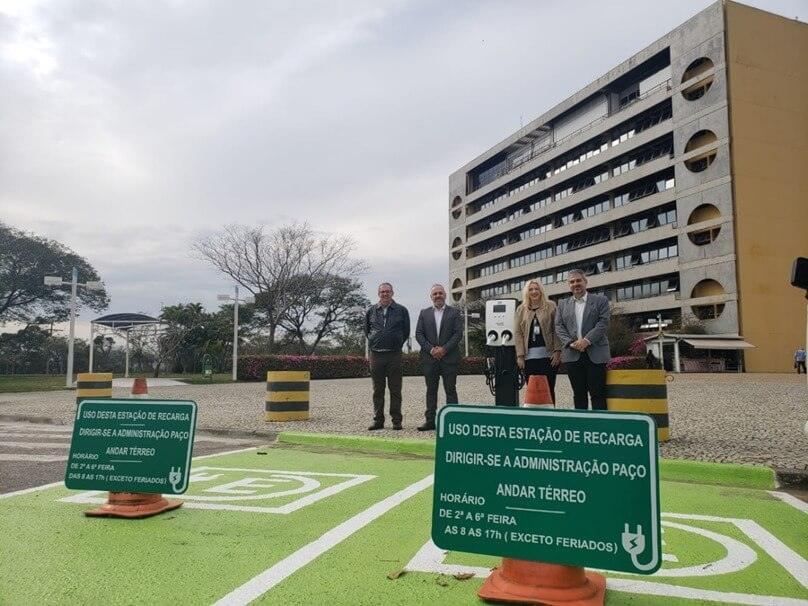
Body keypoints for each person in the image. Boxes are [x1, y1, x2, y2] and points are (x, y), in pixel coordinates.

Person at [555, 269, 611, 410]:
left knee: (598, 394)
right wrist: (570, 342)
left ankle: (599, 428)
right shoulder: (562, 304)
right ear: (569, 285)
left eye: (578, 280)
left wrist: (586, 340)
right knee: (578, 394)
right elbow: (559, 325)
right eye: (572, 282)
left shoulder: (601, 301)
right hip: (572, 354)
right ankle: (583, 428)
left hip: (596, 353)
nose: (576, 284)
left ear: (585, 282)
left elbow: (603, 323)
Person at [414, 284, 462, 431]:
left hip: (449, 358)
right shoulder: (424, 313)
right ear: (431, 297)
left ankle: (453, 422)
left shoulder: (454, 313)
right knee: (431, 390)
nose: (438, 296)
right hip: (430, 359)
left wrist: (444, 349)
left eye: (440, 293)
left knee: (450, 390)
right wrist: (431, 349)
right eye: (435, 294)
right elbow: (419, 334)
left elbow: (458, 334)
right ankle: (430, 421)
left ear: (445, 295)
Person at [364, 282, 410, 430]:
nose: (385, 294)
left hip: (394, 355)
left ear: (392, 293)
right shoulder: (371, 311)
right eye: (382, 292)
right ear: (378, 294)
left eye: (387, 291)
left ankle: (396, 420)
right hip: (376, 355)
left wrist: (396, 342)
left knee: (395, 389)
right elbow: (367, 331)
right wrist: (375, 341)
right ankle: (378, 420)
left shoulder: (401, 310)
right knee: (378, 390)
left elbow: (406, 331)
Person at [515, 279, 561, 404]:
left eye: (537, 289)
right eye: (531, 289)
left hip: (549, 356)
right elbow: (518, 333)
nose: (534, 291)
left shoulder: (551, 306)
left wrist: (557, 350)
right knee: (532, 389)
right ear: (527, 292)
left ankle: (550, 417)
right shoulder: (521, 309)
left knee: (549, 389)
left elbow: (557, 329)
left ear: (541, 291)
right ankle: (535, 418)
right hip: (529, 358)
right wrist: (520, 355)